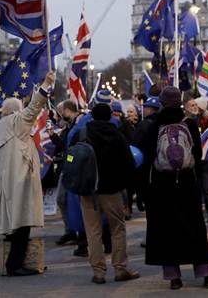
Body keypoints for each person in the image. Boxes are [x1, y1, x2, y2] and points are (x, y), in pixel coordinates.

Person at [141, 86, 208, 290]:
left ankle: (174, 276)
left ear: (162, 103)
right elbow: (198, 155)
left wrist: (144, 191)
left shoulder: (154, 125)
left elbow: (147, 158)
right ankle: (205, 273)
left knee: (167, 230)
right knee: (195, 228)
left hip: (162, 184)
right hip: (187, 182)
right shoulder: (189, 124)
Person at [0, 71, 55, 276]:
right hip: (19, 183)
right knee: (22, 225)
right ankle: (15, 265)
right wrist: (46, 84)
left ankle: (18, 262)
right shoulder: (18, 122)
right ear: (17, 111)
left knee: (12, 225)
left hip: (0, 188)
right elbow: (35, 107)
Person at [77, 102, 140, 284]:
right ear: (110, 116)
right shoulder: (117, 135)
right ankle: (120, 268)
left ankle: (98, 272)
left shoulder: (83, 134)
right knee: (118, 229)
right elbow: (129, 163)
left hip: (89, 191)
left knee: (93, 231)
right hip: (112, 191)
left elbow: (72, 158)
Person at [50, 100, 81, 246]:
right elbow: (63, 146)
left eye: (62, 111)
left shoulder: (78, 125)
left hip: (74, 168)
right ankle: (70, 230)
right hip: (66, 167)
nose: (60, 115)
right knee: (62, 200)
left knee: (67, 200)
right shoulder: (68, 127)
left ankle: (77, 232)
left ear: (68, 110)